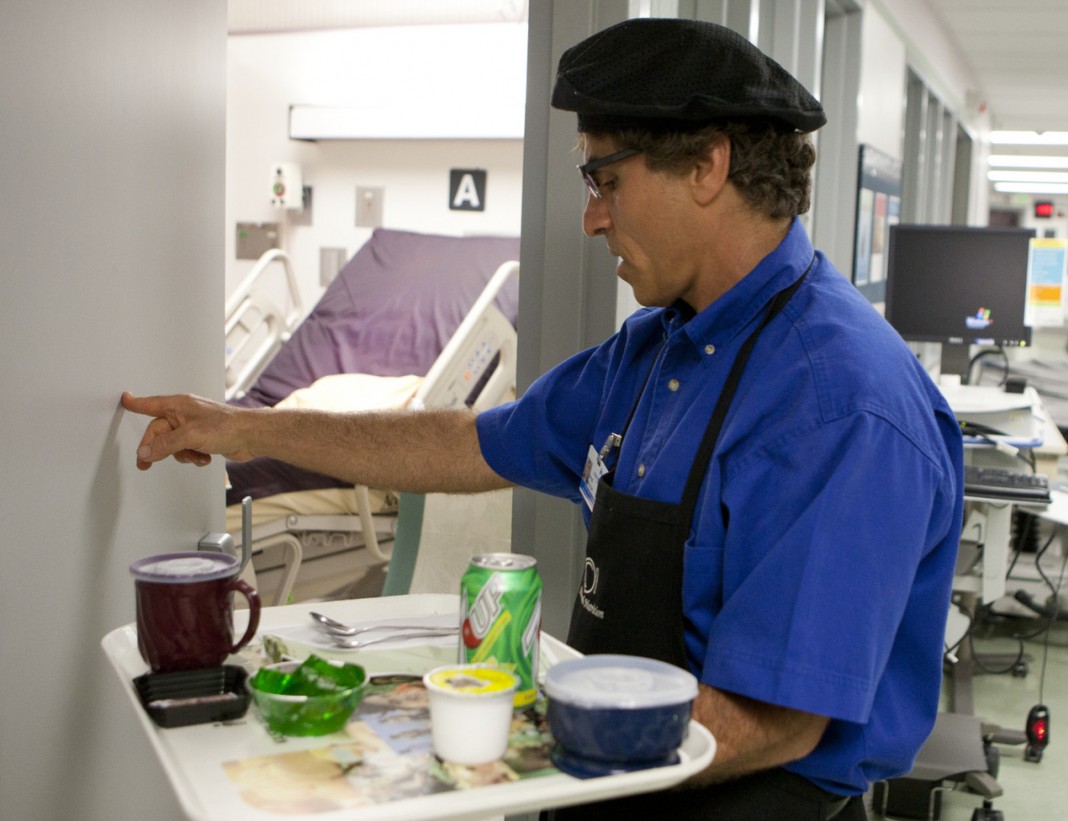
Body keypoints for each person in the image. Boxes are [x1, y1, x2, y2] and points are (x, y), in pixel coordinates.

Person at [121, 18, 963, 821]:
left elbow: (774, 719)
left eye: (606, 179)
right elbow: (465, 442)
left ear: (708, 165)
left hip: (742, 796)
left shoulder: (839, 407)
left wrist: (469, 745)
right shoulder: (653, 351)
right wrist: (246, 428)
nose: (593, 215)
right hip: (616, 777)